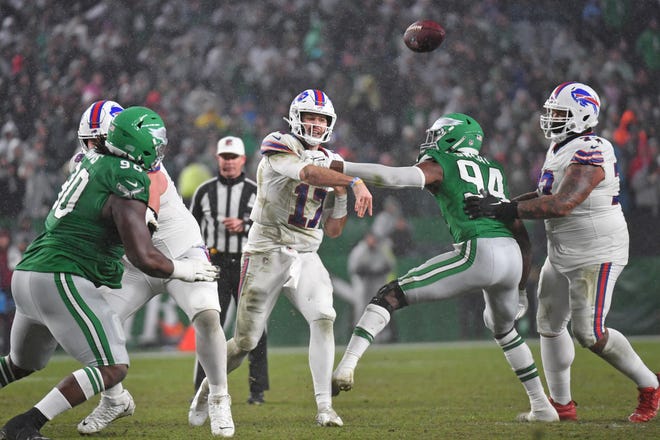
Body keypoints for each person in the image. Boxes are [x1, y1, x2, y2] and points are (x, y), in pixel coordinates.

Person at [0, 106, 222, 440]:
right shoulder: (127, 174)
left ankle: (105, 402)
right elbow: (143, 255)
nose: (160, 151)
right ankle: (25, 425)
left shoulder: (86, 162)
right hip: (60, 275)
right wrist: (186, 269)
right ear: (136, 144)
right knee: (111, 366)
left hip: (29, 271)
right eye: (155, 143)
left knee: (21, 363)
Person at [325, 113, 558, 422]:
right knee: (503, 329)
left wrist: (344, 167)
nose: (432, 141)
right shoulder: (494, 169)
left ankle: (346, 366)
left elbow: (394, 177)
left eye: (437, 135)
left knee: (390, 295)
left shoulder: (443, 164)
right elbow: (517, 226)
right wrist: (520, 287)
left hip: (479, 250)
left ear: (454, 137)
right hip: (512, 255)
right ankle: (542, 406)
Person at [464, 82, 660, 423]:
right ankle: (561, 405)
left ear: (584, 116)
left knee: (590, 332)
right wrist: (500, 205)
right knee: (550, 324)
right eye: (551, 112)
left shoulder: (592, 148)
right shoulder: (560, 147)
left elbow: (563, 204)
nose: (551, 119)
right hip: (563, 249)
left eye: (560, 114)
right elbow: (544, 195)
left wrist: (504, 210)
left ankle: (651, 386)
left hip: (596, 250)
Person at [189, 89, 373, 427]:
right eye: (311, 117)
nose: (316, 124)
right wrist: (354, 180)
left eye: (322, 119)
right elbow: (307, 174)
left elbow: (333, 230)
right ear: (296, 118)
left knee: (324, 316)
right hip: (267, 249)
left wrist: (344, 193)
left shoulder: (332, 163)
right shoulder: (279, 143)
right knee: (246, 341)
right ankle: (207, 387)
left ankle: (324, 407)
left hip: (306, 252)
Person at [70, 101, 234, 437]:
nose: (91, 149)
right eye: (88, 142)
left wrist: (149, 215)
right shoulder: (86, 166)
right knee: (97, 324)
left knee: (206, 315)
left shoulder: (140, 156)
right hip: (135, 264)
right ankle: (114, 399)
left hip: (180, 250)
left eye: (97, 142)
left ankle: (219, 397)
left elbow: (155, 183)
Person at [189, 135, 269, 405]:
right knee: (210, 326)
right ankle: (201, 388)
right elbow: (190, 229)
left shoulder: (256, 190)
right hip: (215, 265)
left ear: (243, 160)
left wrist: (244, 225)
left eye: (233, 157)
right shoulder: (203, 191)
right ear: (218, 159)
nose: (229, 162)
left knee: (256, 327)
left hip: (247, 264)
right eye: (225, 156)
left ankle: (257, 390)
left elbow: (267, 226)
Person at [346, 230, 396, 341]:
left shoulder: (381, 249)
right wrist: (368, 271)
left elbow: (389, 266)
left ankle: (382, 337)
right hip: (363, 284)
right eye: (370, 238)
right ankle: (359, 335)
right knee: (361, 309)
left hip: (378, 283)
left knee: (380, 308)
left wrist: (377, 272)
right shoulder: (359, 250)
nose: (372, 241)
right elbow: (354, 269)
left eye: (374, 239)